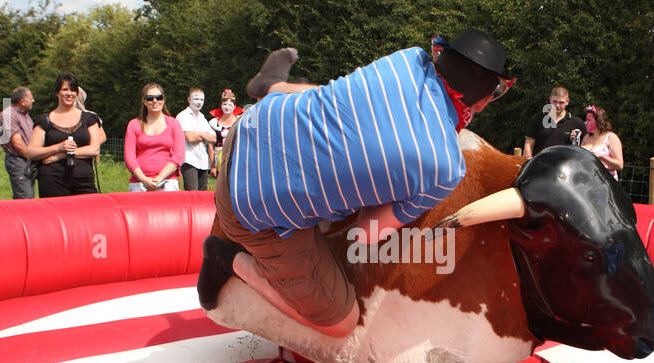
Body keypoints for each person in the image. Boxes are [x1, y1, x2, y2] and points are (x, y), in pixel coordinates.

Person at [201, 29, 515, 339]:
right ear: (484, 101)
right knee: (341, 323)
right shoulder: (446, 168)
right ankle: (228, 259)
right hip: (244, 205)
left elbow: (342, 102)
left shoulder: (406, 60)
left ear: (439, 54)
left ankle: (274, 87)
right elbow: (365, 233)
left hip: (252, 123)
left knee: (333, 97)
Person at [29, 73, 105, 197]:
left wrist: (61, 155)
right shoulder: (44, 120)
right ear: (57, 92)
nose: (69, 93)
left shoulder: (89, 119)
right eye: (65, 89)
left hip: (84, 179)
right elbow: (31, 152)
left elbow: (94, 149)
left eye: (73, 90)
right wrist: (58, 147)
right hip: (52, 180)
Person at [124, 82, 185, 191]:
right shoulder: (133, 125)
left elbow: (179, 156)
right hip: (139, 182)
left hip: (168, 181)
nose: (155, 101)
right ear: (144, 101)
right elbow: (129, 158)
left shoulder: (174, 124)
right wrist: (143, 179)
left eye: (159, 97)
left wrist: (159, 178)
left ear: (164, 99)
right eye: (150, 98)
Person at [522, 85, 585, 158]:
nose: (557, 105)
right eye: (555, 101)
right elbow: (528, 145)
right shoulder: (538, 119)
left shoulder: (576, 123)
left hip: (564, 167)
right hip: (540, 165)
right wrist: (528, 162)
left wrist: (578, 139)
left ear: (567, 101)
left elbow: (588, 141)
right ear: (550, 100)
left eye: (561, 102)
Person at [0, 86, 36, 199]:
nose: (33, 100)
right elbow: (17, 143)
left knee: (30, 196)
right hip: (19, 160)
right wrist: (32, 156)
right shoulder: (9, 115)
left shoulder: (25, 115)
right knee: (24, 196)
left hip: (27, 160)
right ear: (22, 101)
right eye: (31, 98)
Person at [175, 87, 215, 190]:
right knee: (192, 194)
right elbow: (190, 138)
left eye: (202, 99)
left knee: (202, 196)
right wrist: (205, 136)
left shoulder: (202, 117)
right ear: (189, 99)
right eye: (196, 99)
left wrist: (199, 133)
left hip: (203, 162)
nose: (199, 102)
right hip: (189, 161)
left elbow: (214, 138)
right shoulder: (183, 116)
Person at [207, 88, 243, 179]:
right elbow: (211, 146)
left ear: (235, 106)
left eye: (230, 104)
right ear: (221, 105)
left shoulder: (240, 121)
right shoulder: (213, 123)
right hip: (219, 159)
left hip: (236, 157)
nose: (227, 107)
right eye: (225, 104)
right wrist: (213, 166)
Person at [580, 104, 623, 178]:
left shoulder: (611, 137)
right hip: (587, 183)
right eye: (586, 120)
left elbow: (619, 165)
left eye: (589, 120)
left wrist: (602, 157)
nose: (585, 122)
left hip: (605, 183)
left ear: (599, 121)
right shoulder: (586, 137)